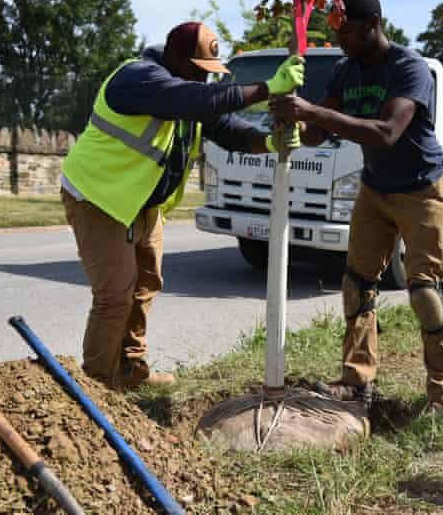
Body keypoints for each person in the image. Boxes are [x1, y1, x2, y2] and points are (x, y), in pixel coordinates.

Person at [61, 21, 304, 390]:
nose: (203, 81)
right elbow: (198, 101)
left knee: (146, 284)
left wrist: (271, 143)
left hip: (141, 203)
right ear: (174, 58)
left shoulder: (188, 91)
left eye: (209, 75)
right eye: (197, 71)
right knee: (115, 296)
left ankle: (130, 370)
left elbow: (229, 128)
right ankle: (96, 388)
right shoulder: (139, 78)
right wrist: (269, 88)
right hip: (99, 197)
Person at [270, 0, 443, 412]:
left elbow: (386, 132)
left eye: (347, 30)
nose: (340, 40)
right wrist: (289, 118)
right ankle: (357, 382)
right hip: (375, 187)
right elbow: (320, 132)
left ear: (373, 24)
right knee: (357, 284)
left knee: (425, 291)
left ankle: (442, 389)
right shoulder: (344, 69)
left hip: (421, 187)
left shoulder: (409, 68)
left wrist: (312, 111)